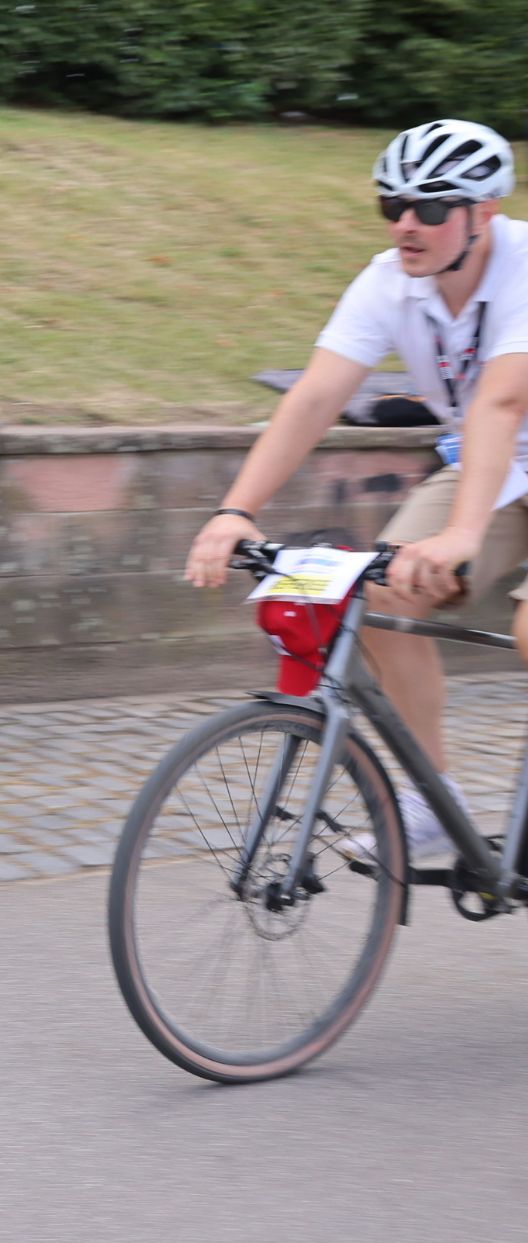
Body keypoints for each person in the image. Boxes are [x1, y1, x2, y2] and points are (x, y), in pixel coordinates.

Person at [188, 120, 523, 862]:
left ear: (484, 213)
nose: (408, 222)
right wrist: (235, 510)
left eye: (432, 208)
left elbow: (503, 405)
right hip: (490, 467)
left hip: (502, 450)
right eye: (393, 203)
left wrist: (464, 536)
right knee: (376, 593)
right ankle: (434, 797)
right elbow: (315, 396)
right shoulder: (387, 282)